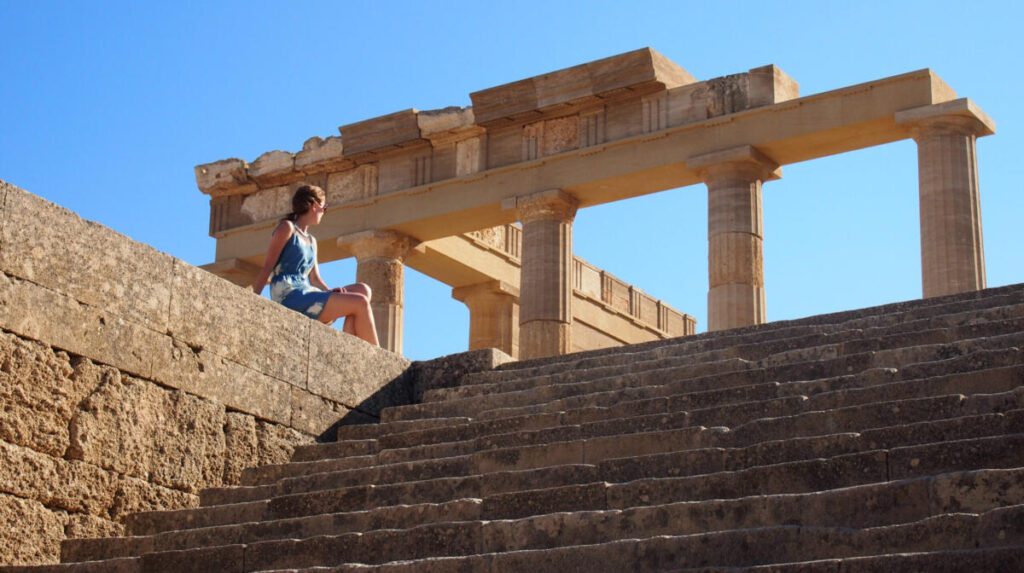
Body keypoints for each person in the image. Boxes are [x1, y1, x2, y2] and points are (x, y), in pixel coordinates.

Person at [252, 185, 380, 346]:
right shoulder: (287, 228)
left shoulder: (312, 241)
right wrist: (253, 299)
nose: (324, 212)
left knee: (363, 290)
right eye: (324, 207)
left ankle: (350, 344)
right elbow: (268, 266)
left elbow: (315, 278)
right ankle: (378, 355)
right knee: (360, 302)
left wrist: (330, 292)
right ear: (314, 205)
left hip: (307, 291)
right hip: (289, 295)